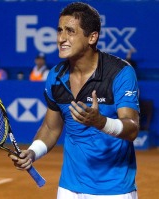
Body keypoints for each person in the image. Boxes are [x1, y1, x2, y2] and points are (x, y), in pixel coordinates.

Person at [9, 2, 139, 199]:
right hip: (69, 188)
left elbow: (132, 129)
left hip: (114, 190)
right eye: (59, 30)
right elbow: (51, 128)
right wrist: (32, 152)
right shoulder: (56, 76)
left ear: (92, 37)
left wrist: (101, 122)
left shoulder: (120, 73)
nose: (61, 38)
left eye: (70, 31)